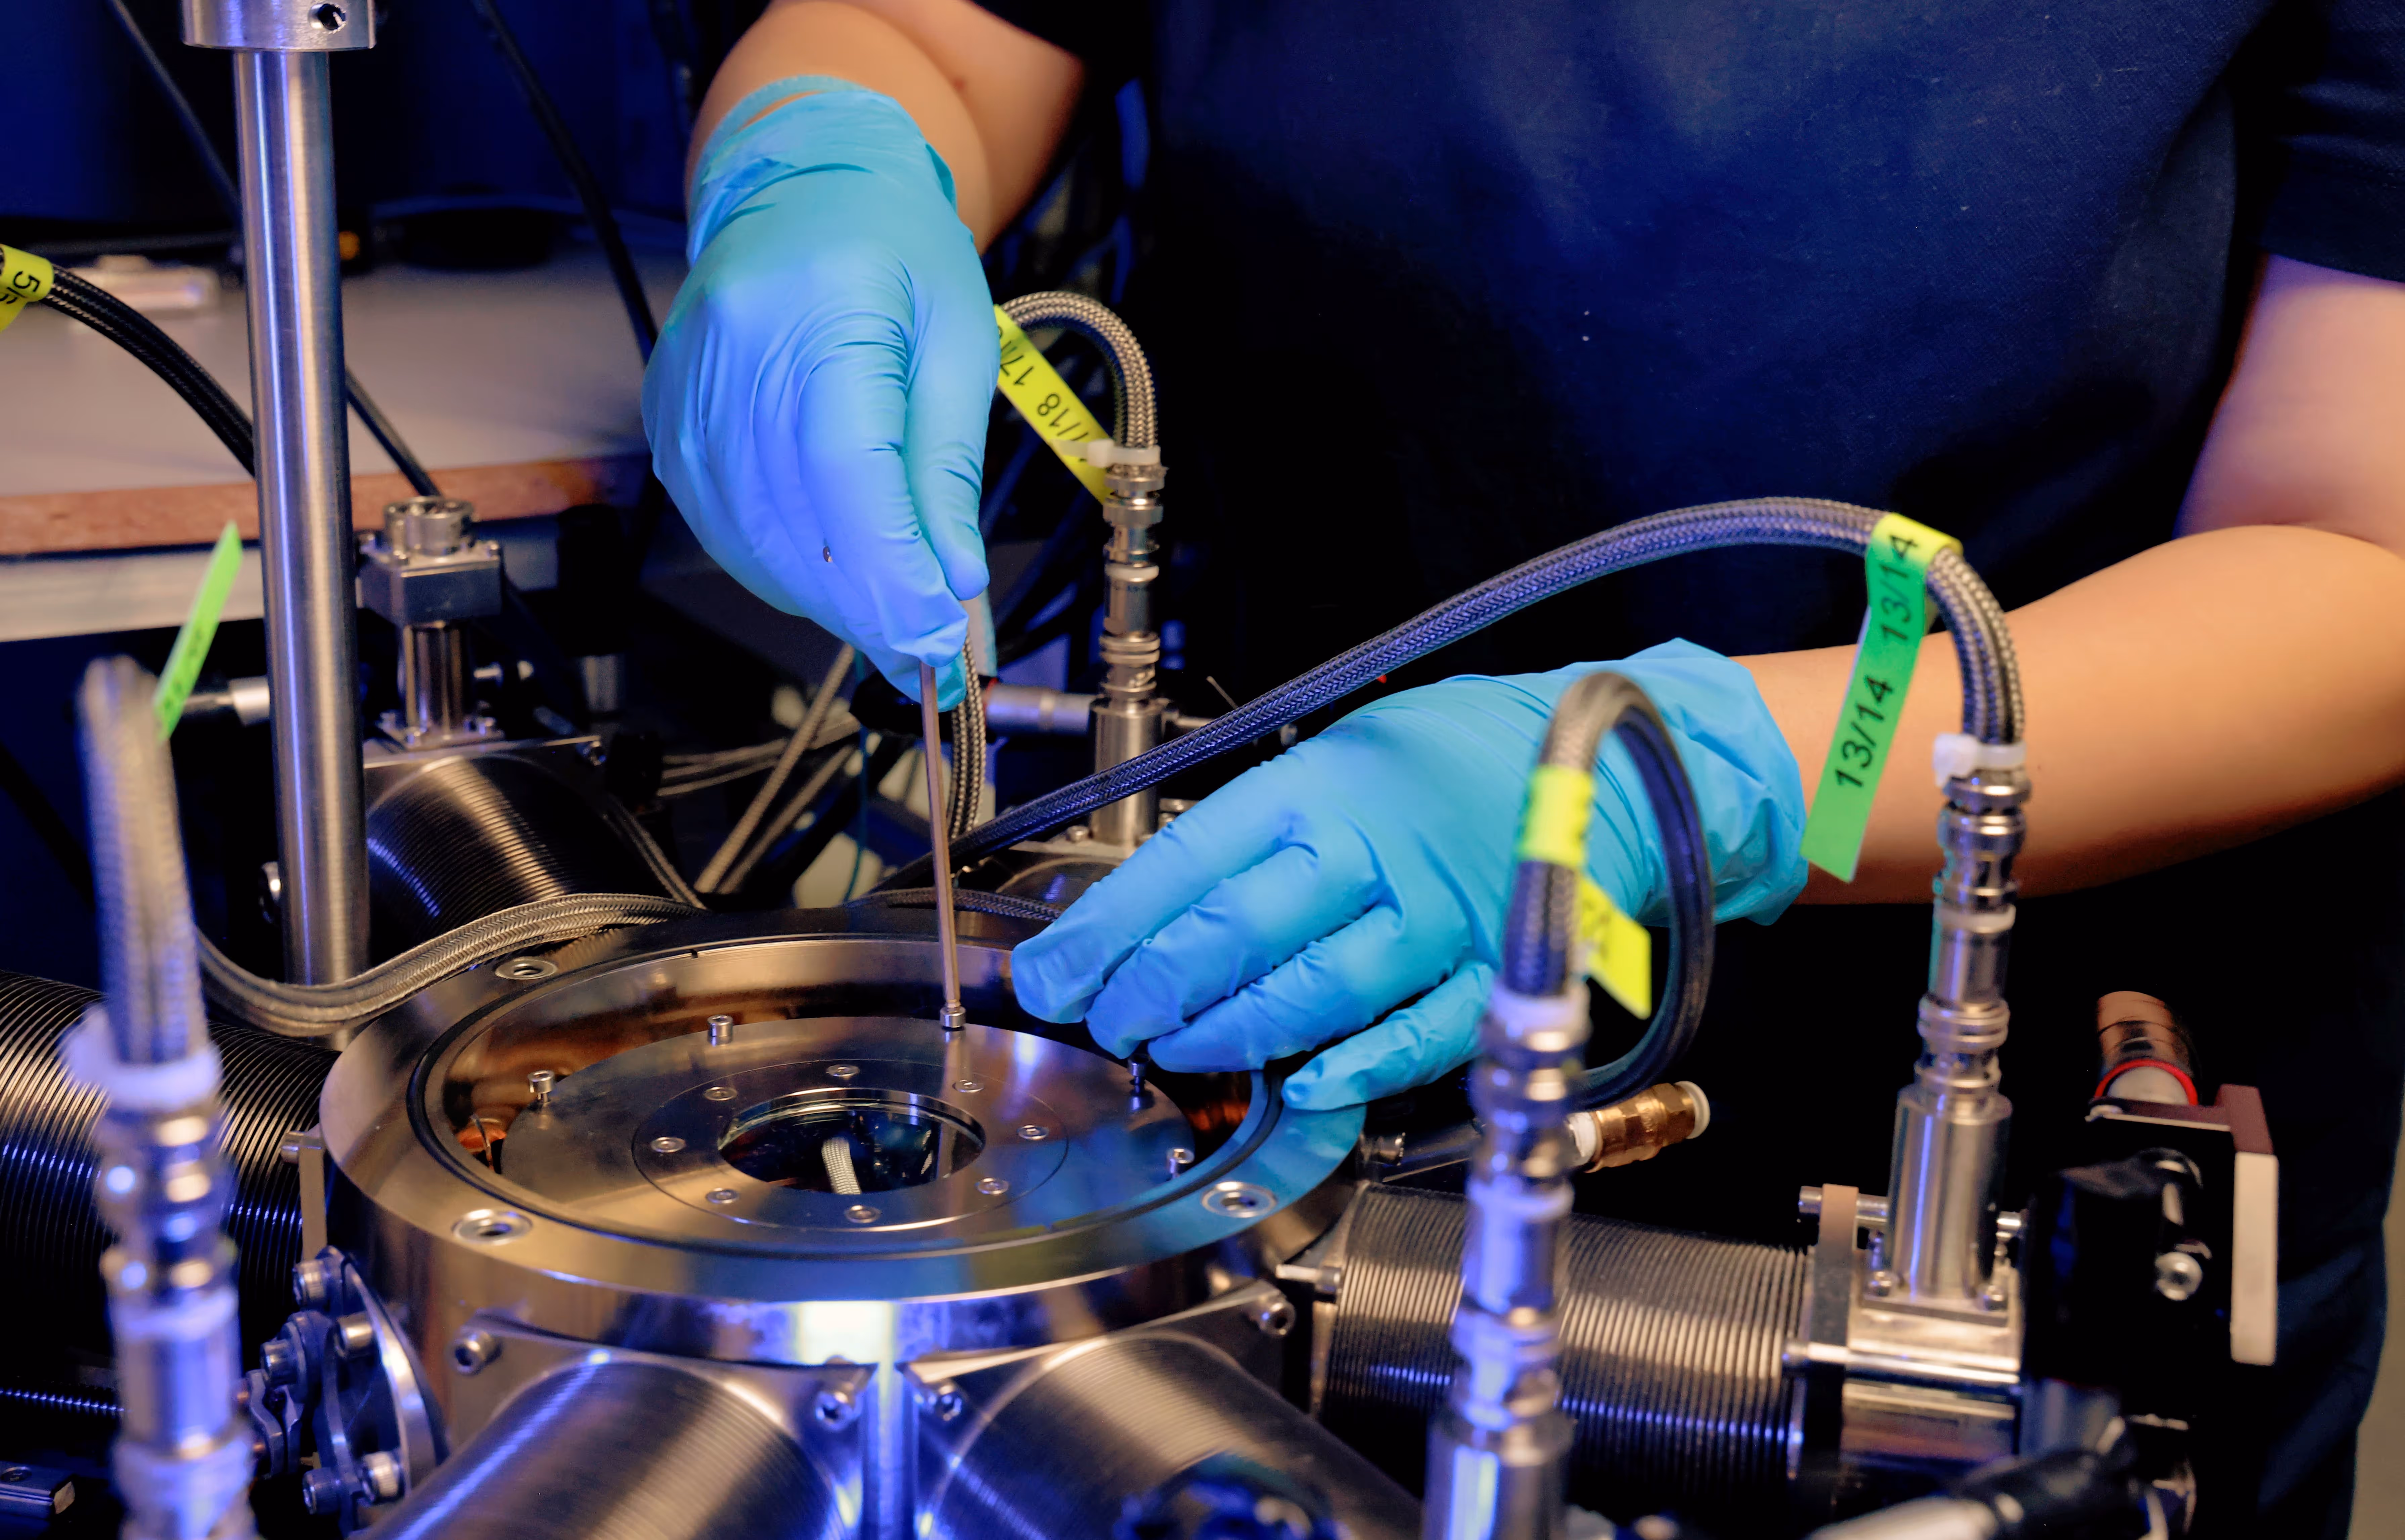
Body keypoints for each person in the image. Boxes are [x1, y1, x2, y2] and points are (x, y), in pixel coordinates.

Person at [644, 2, 2405, 1530]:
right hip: (1289, 1026)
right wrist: (819, 168)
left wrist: (1712, 775)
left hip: (1996, 1158)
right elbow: (935, 28)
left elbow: (2360, 558)